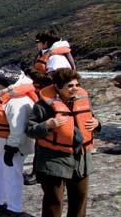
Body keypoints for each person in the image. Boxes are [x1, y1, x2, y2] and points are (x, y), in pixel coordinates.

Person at [26, 69, 101, 217]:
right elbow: (30, 130)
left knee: (80, 199)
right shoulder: (43, 106)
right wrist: (47, 124)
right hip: (54, 160)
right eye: (70, 85)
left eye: (77, 84)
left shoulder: (82, 100)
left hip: (81, 160)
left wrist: (97, 123)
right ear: (58, 87)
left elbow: (91, 118)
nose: (75, 88)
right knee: (54, 201)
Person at [0, 68, 38, 215]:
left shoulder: (17, 101)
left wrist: (11, 147)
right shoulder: (10, 97)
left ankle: (14, 209)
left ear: (7, 84)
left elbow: (17, 128)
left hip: (12, 146)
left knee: (13, 176)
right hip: (2, 144)